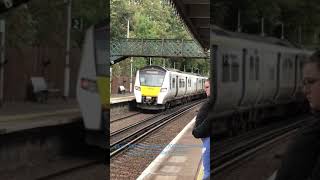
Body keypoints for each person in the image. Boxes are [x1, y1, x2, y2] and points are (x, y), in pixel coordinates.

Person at [275, 50, 320, 180]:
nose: (305, 90)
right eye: (304, 83)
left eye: (310, 82)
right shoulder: (314, 127)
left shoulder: (314, 133)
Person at [192, 79, 212, 180]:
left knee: (207, 172)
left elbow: (209, 121)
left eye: (207, 87)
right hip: (207, 139)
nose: (205, 89)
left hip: (209, 140)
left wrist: (195, 131)